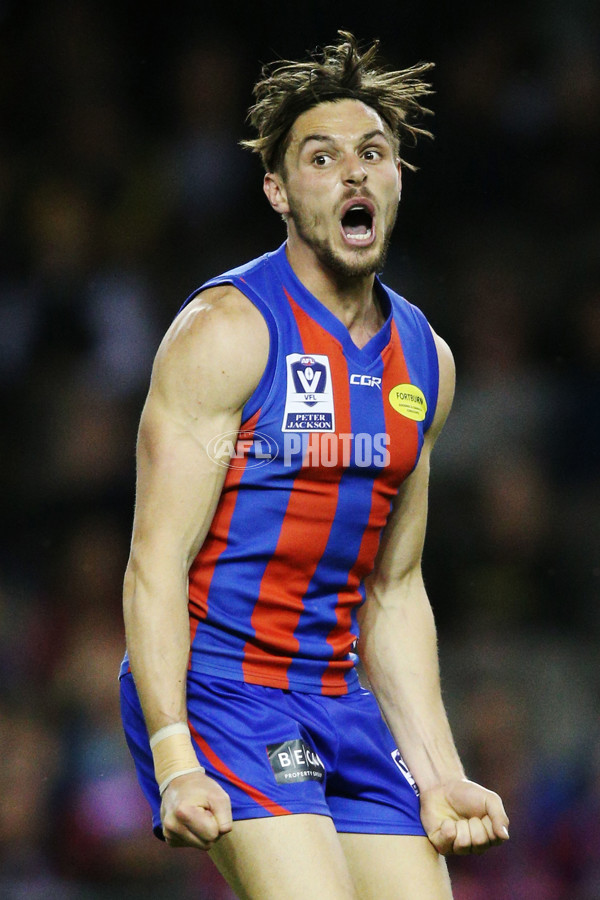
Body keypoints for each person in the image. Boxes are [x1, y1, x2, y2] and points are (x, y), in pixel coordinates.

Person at [120, 31, 509, 899]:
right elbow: (154, 565)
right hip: (227, 688)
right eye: (322, 158)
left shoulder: (427, 363)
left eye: (373, 154)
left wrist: (440, 771)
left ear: (399, 177)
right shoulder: (226, 333)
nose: (354, 174)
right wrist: (174, 753)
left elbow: (395, 588)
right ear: (279, 191)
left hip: (342, 701)